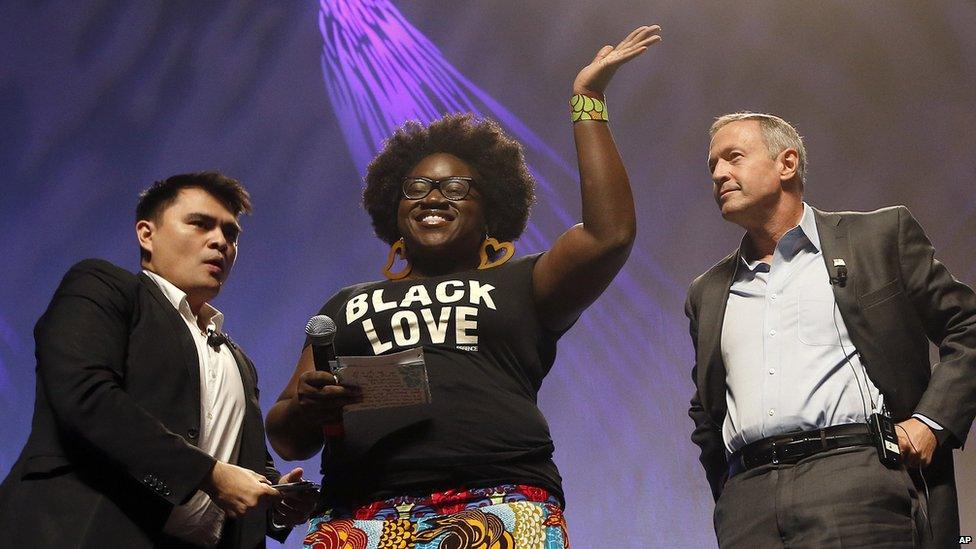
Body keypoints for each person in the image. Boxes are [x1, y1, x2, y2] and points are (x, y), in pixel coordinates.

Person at [265, 25, 661, 548]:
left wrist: (588, 101)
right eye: (418, 187)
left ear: (491, 206)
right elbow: (287, 439)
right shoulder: (346, 304)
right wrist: (305, 407)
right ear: (394, 203)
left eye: (455, 187)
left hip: (498, 505)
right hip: (356, 516)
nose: (434, 197)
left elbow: (610, 235)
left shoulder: (524, 280)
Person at [686, 112, 976, 548]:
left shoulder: (878, 237)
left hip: (855, 483)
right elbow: (706, 411)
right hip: (748, 506)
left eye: (733, 157)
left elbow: (967, 325)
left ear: (786, 164)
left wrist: (930, 423)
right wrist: (731, 494)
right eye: (713, 167)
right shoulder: (706, 292)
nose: (719, 174)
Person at [0, 172, 316, 548]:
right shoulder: (102, 286)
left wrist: (275, 498)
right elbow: (85, 396)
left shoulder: (239, 361)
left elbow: (242, 464)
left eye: (231, 234)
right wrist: (209, 475)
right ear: (146, 234)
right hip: (80, 532)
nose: (220, 242)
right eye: (200, 224)